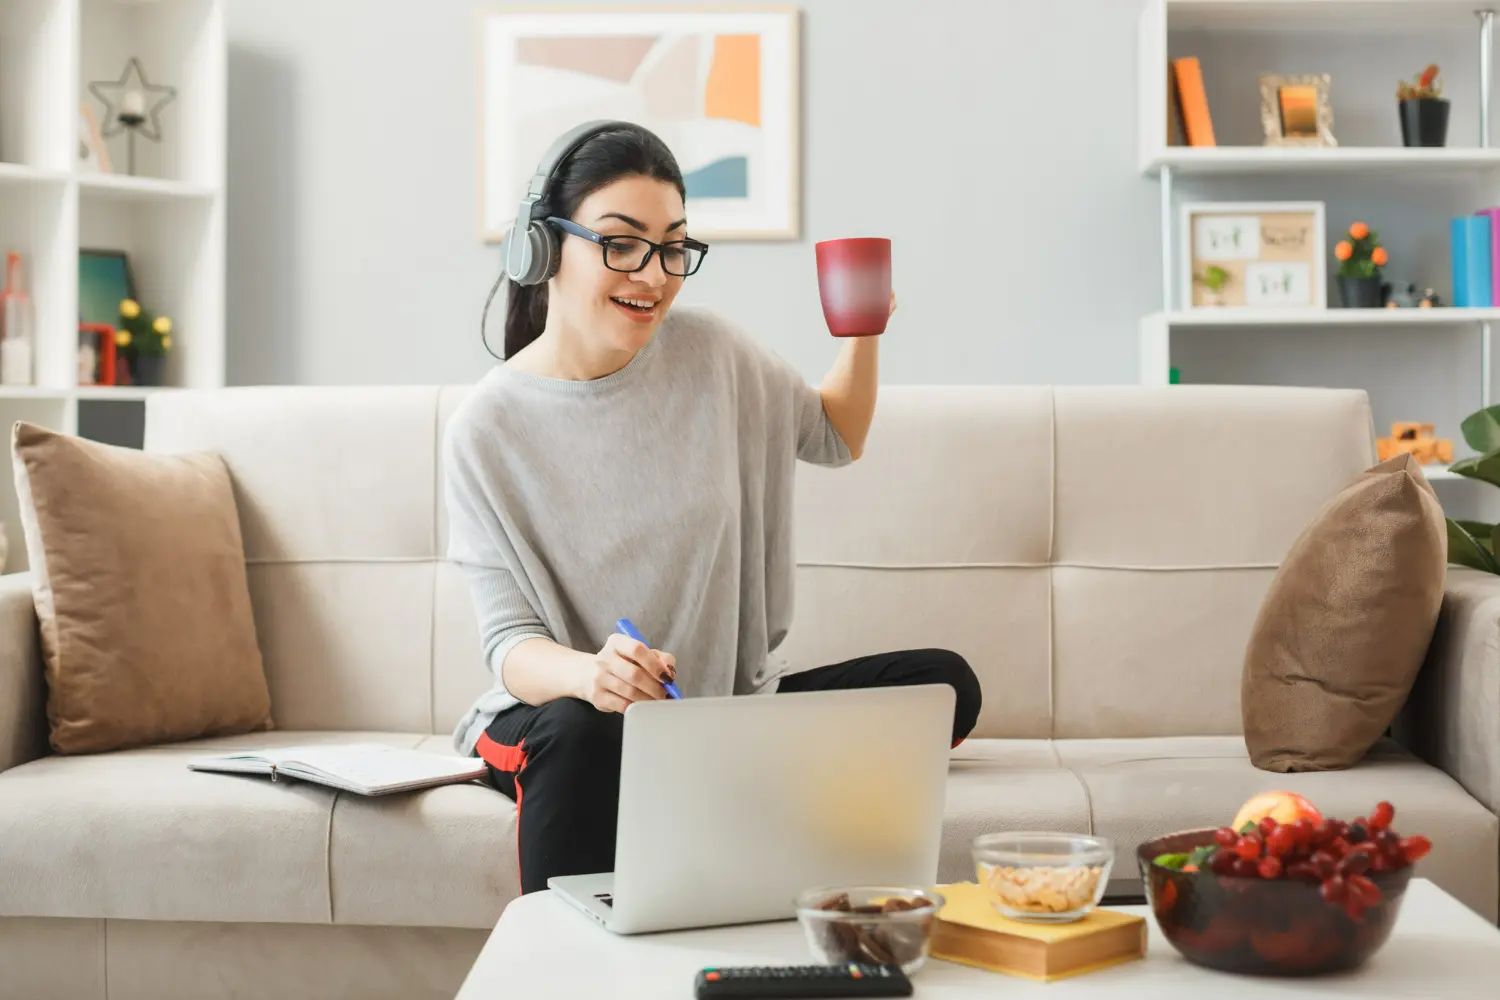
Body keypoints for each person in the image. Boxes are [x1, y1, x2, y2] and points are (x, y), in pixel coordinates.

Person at [443, 120, 981, 895]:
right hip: (567, 716)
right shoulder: (488, 428)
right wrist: (593, 673)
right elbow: (510, 645)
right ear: (542, 247)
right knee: (580, 732)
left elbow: (834, 433)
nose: (652, 275)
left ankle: (715, 756)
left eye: (672, 247)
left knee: (942, 685)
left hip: (712, 712)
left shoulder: (714, 353)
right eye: (621, 243)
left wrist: (862, 330)